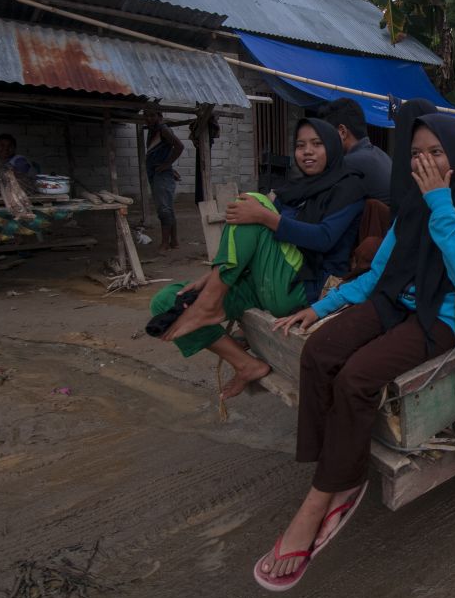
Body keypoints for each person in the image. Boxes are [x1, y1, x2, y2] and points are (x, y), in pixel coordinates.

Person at [256, 113, 455, 591]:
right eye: (415, 154)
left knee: (357, 378)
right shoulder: (409, 200)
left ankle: (327, 493)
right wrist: (322, 306)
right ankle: (335, 463)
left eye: (436, 153)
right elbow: (379, 274)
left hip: (444, 315)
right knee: (320, 351)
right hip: (397, 298)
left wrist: (440, 203)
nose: (424, 163)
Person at [150, 119, 366, 398]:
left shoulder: (350, 187)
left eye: (317, 144)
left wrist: (266, 216)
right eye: (300, 145)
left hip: (302, 285)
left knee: (252, 202)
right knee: (167, 302)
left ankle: (210, 302)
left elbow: (324, 238)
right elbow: (251, 240)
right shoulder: (295, 189)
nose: (307, 152)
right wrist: (214, 274)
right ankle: (247, 364)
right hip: (263, 281)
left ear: (334, 147)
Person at [318, 97, 392, 204]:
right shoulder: (381, 155)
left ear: (342, 132)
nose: (324, 142)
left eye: (325, 134)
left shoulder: (349, 163)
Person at [143, 108, 185, 251]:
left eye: (152, 115)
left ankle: (165, 243)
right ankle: (174, 242)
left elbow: (179, 146)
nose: (148, 118)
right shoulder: (153, 130)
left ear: (159, 116)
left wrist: (167, 165)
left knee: (164, 209)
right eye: (146, 115)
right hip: (157, 173)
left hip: (161, 174)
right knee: (167, 208)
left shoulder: (163, 129)